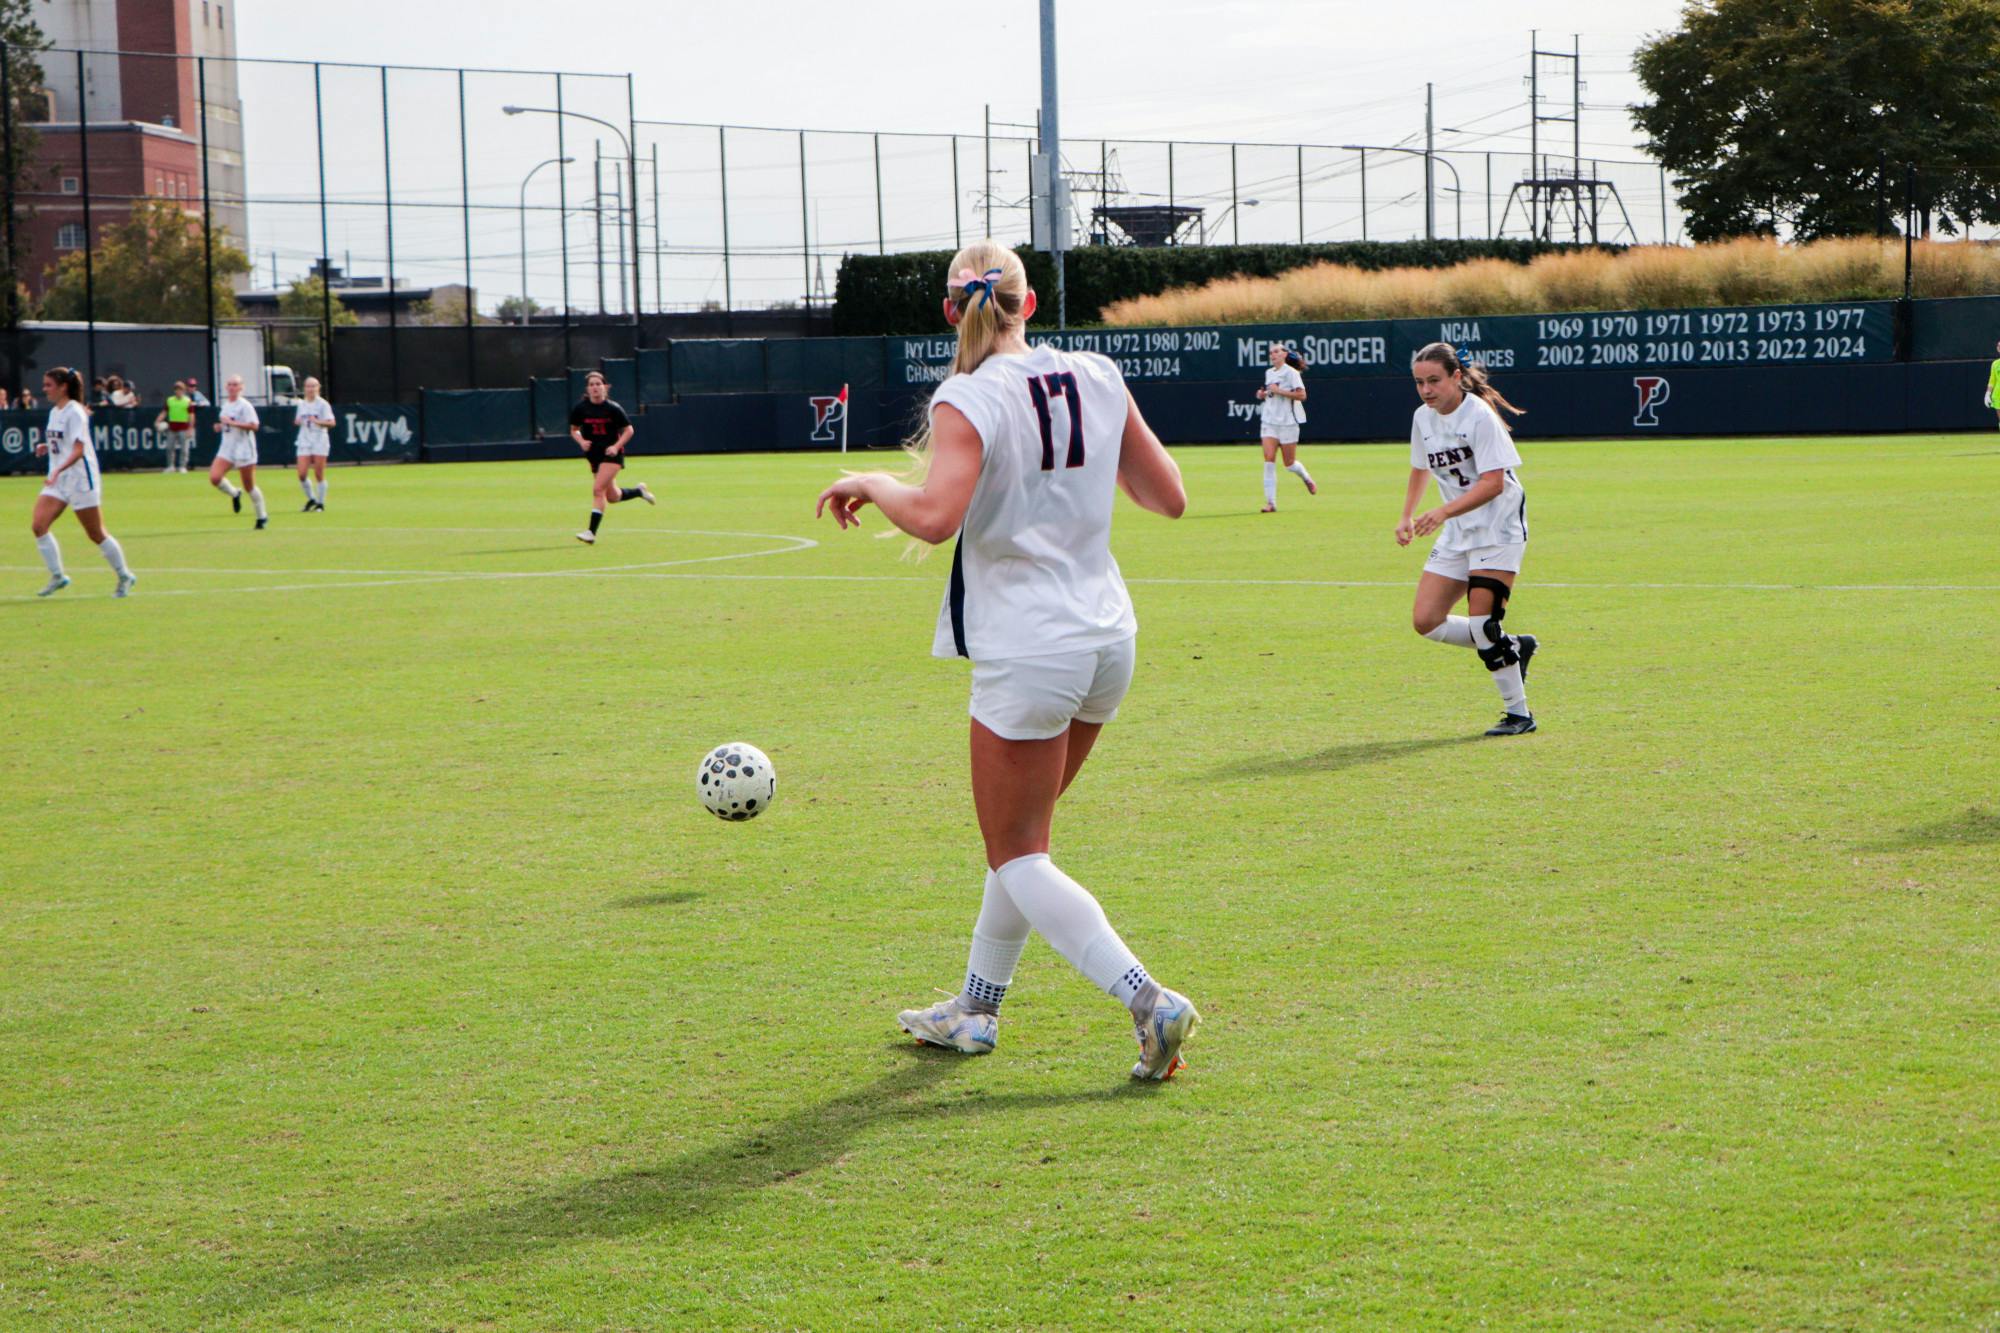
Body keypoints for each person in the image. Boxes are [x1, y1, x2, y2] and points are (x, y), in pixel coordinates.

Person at [814, 241, 1201, 1081]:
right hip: (1108, 640)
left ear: (951, 313)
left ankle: (1150, 1002)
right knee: (1020, 846)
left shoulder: (967, 393)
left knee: (1019, 852)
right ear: (1028, 305)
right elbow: (1167, 495)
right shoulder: (1097, 372)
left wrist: (873, 479)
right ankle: (976, 1009)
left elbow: (935, 516)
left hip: (1031, 649)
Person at [1398, 342, 1538, 736]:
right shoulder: (1422, 418)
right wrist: (1407, 515)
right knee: (1426, 621)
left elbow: (1494, 484)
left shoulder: (1479, 417)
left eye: (1434, 381)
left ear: (1456, 377)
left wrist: (1442, 511)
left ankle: (1519, 714)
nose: (1426, 390)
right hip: (1460, 530)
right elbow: (1419, 467)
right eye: (1419, 382)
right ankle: (1514, 647)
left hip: (1499, 528)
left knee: (1483, 626)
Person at [29, 366, 137, 598]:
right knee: (39, 525)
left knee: (96, 532)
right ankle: (58, 576)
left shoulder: (75, 411)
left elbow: (78, 450)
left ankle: (124, 575)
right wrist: (47, 447)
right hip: (59, 478)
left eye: (48, 385)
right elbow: (65, 442)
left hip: (80, 479)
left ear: (63, 387)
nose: (44, 389)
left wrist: (58, 468)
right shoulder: (55, 412)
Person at [568, 370, 653, 544]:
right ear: (587, 389)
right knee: (612, 496)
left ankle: (591, 532)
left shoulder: (613, 408)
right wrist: (581, 441)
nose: (595, 388)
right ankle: (639, 491)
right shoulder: (581, 408)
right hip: (594, 456)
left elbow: (629, 430)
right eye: (591, 385)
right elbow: (574, 429)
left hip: (612, 456)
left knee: (598, 490)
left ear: (605, 387)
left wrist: (616, 446)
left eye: (598, 384)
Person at [1255, 342, 1315, 512]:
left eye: (1276, 352)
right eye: (1270, 353)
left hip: (1288, 423)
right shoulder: (1269, 373)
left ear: (1284, 354)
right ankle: (1271, 503)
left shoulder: (1292, 373)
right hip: (1269, 422)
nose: (1272, 355)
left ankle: (1306, 477)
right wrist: (1263, 394)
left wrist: (1279, 391)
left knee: (1289, 464)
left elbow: (1302, 395)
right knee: (1268, 459)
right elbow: (1271, 392)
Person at [209, 373, 268, 529]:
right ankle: (235, 493)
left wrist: (233, 423)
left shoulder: (245, 406)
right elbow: (227, 424)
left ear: (241, 387)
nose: (232, 387)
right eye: (230, 384)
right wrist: (220, 426)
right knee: (215, 477)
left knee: (249, 486)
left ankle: (261, 517)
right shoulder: (226, 405)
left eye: (235, 384)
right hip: (227, 447)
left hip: (244, 449)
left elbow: (254, 426)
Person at [292, 377, 335, 511]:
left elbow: (331, 422)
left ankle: (320, 503)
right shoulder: (302, 404)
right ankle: (311, 498)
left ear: (318, 388)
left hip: (319, 439)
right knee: (302, 474)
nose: (311, 389)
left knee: (318, 473)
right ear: (304, 389)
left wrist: (318, 421)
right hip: (304, 439)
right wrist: (298, 421)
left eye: (313, 386)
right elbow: (298, 420)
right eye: (308, 387)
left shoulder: (323, 404)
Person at [156, 380, 195, 473]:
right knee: (169, 447)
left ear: (184, 390)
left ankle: (182, 466)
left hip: (183, 428)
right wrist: (158, 421)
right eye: (177, 390)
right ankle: (170, 466)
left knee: (184, 449)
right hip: (172, 428)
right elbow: (164, 412)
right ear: (174, 390)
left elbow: (191, 415)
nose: (179, 391)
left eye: (180, 390)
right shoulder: (170, 400)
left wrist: (190, 428)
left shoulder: (188, 401)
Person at [1985, 340, 2000, 429]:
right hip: (1998, 395)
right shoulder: (1995, 364)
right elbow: (1992, 380)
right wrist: (1988, 394)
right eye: (1998, 346)